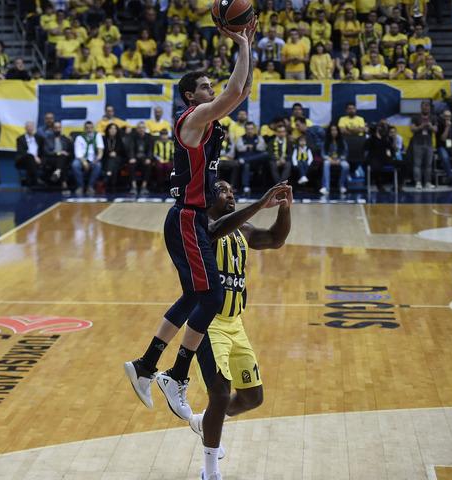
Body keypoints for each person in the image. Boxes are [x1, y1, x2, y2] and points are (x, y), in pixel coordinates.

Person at [123, 19, 288, 424]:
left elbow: (240, 91)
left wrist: (248, 47)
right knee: (211, 298)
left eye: (211, 87)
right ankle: (176, 375)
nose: (212, 91)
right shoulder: (192, 119)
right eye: (204, 87)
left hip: (189, 218)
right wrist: (241, 44)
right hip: (186, 218)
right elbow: (232, 93)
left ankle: (145, 365)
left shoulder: (209, 121)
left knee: (194, 297)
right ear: (189, 96)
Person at [188, 180, 292, 480]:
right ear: (208, 198)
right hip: (209, 324)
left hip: (235, 323)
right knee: (220, 394)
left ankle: (205, 422)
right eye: (223, 191)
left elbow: (275, 239)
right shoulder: (202, 227)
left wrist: (285, 208)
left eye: (233, 191)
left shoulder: (241, 231)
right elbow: (216, 229)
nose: (231, 194)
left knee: (252, 397)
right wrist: (260, 204)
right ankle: (210, 470)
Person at [72, 121, 104, 195]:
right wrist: (84, 162)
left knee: (98, 165)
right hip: (82, 159)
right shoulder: (79, 138)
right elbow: (78, 152)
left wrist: (97, 159)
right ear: (84, 129)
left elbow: (100, 150)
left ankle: (90, 186)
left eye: (91, 128)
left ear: (93, 128)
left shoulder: (97, 136)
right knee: (75, 165)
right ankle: (80, 186)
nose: (89, 130)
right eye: (87, 128)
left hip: (94, 159)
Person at [321, 124, 350, 195]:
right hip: (329, 159)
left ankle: (341, 185)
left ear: (338, 131)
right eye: (332, 130)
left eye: (335, 130)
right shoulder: (326, 141)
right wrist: (329, 159)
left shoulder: (342, 141)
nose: (334, 132)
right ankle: (326, 187)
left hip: (340, 160)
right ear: (329, 132)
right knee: (326, 163)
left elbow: (345, 153)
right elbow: (323, 153)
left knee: (346, 166)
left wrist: (339, 160)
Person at [15, 121, 46, 187]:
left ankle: (31, 183)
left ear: (34, 128)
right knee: (30, 157)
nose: (30, 128)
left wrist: (40, 159)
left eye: (31, 126)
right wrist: (34, 157)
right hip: (24, 159)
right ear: (25, 128)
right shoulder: (20, 139)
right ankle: (36, 179)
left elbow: (42, 151)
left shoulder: (39, 138)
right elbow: (21, 152)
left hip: (38, 159)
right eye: (28, 127)